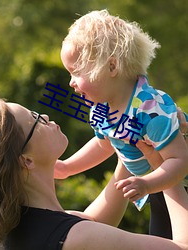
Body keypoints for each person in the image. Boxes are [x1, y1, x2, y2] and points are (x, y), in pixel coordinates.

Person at [0, 98, 188, 250]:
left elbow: (95, 221)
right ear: (26, 160)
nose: (44, 116)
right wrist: (165, 165)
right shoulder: (76, 238)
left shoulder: (11, 234)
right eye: (35, 120)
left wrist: (128, 143)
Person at [56, 9, 188, 239]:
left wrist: (147, 183)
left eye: (76, 72)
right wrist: (68, 167)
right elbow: (104, 144)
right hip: (158, 188)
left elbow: (180, 160)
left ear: (111, 67)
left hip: (177, 185)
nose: (70, 83)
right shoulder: (101, 108)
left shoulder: (150, 109)